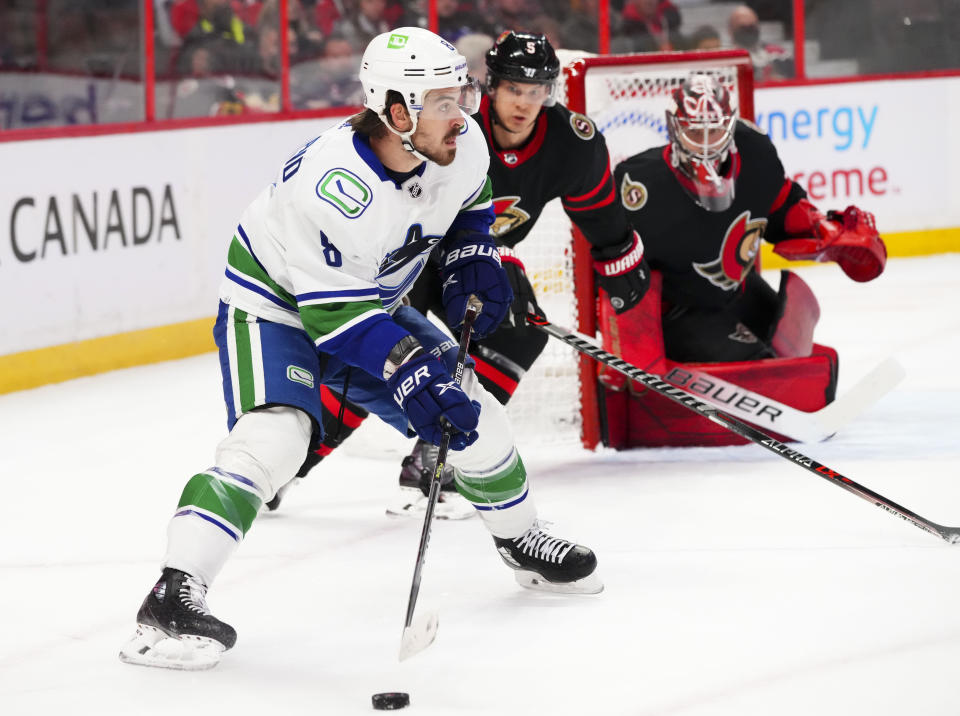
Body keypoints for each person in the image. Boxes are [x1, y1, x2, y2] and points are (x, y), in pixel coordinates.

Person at [119, 27, 601, 671]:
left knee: (475, 412)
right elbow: (334, 318)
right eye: (441, 102)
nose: (462, 113)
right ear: (397, 112)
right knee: (277, 439)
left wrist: (470, 256)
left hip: (369, 297)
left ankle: (521, 543)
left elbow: (469, 205)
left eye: (459, 95)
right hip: (277, 306)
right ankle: (172, 597)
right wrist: (408, 373)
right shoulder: (334, 186)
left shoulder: (462, 141)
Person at [269, 31, 649, 518]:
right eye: (514, 88)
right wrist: (490, 253)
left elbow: (599, 216)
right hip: (408, 255)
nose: (524, 103)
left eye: (537, 92)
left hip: (472, 257)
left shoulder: (572, 145)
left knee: (516, 334)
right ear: (491, 86)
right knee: (377, 366)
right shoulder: (453, 125)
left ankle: (439, 451)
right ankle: (287, 464)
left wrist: (620, 262)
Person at [610, 72, 886, 367]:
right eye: (694, 132)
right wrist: (628, 340)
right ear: (674, 128)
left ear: (730, 125)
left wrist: (821, 226)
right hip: (678, 310)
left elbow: (780, 204)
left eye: (714, 131)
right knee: (760, 367)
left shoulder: (755, 152)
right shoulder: (638, 184)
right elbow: (610, 261)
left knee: (793, 344)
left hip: (736, 290)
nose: (705, 145)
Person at [727, 3, 793, 81]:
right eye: (743, 28)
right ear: (730, 30)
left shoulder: (779, 54)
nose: (748, 31)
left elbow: (793, 81)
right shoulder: (726, 59)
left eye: (751, 27)